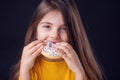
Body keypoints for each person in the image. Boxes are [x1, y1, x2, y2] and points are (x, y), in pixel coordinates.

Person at [11, 0, 103, 80]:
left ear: (73, 34)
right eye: (47, 26)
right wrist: (24, 71)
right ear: (35, 31)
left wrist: (79, 73)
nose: (54, 35)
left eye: (63, 29)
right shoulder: (29, 67)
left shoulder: (77, 67)